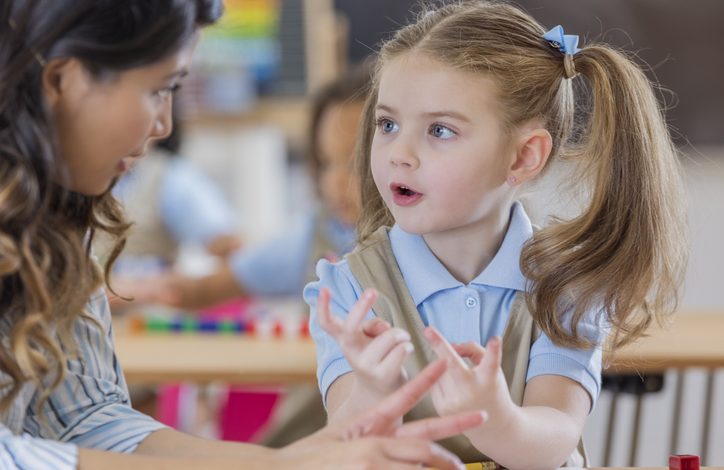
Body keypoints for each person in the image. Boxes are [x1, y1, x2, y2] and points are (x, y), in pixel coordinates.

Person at [0, 1, 487, 468]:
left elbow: (89, 418)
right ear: (60, 79)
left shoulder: (57, 221)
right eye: (158, 89)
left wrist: (298, 459)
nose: (164, 124)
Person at [304, 1, 687, 468]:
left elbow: (554, 440)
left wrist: (496, 419)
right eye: (388, 124)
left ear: (523, 158)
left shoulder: (566, 287)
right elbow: (344, 449)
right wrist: (372, 391)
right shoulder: (347, 289)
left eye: (440, 130)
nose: (398, 153)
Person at [148, 65, 369, 310]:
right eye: (325, 163)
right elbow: (206, 288)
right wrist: (135, 289)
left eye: (354, 164)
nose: (334, 182)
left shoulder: (411, 240)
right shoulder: (312, 235)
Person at [104, 100, 242, 310]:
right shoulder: (68, 176)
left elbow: (234, 250)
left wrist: (188, 288)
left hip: (144, 326)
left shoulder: (171, 178)